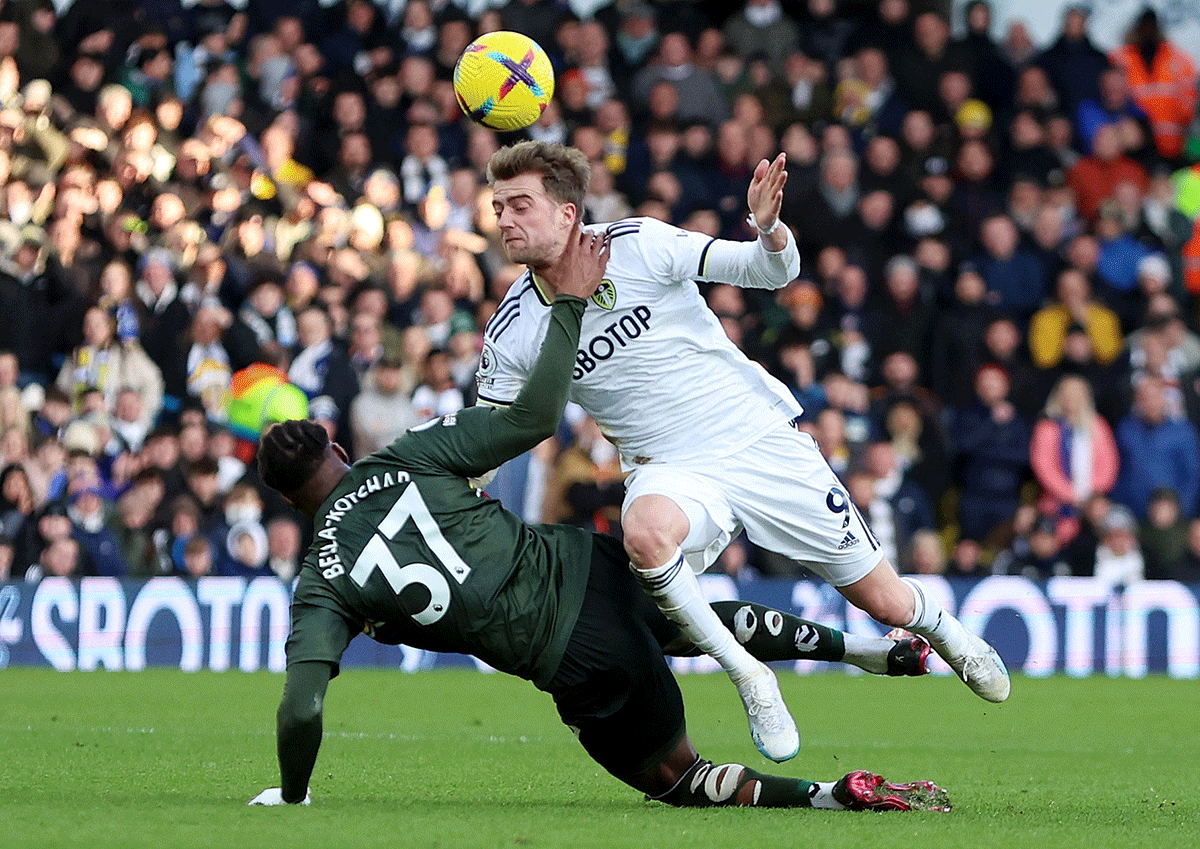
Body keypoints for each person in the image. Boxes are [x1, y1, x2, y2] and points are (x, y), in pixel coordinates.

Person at [247, 234, 942, 810]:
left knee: (680, 778)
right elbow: (533, 418)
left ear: (286, 503)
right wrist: (571, 306)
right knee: (687, 616)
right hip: (583, 563)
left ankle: (830, 793)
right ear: (339, 449)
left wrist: (294, 792)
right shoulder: (410, 453)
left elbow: (301, 709)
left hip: (570, 657)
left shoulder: (322, 580)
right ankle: (870, 650)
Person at [474, 141, 1009, 765]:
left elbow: (770, 272)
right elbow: (493, 430)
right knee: (644, 534)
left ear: (568, 214)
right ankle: (751, 677)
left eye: (520, 205)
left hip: (754, 439)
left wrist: (769, 228)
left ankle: (947, 632)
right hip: (667, 468)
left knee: (885, 601)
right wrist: (459, 480)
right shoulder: (512, 327)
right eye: (497, 208)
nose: (505, 220)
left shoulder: (641, 244)